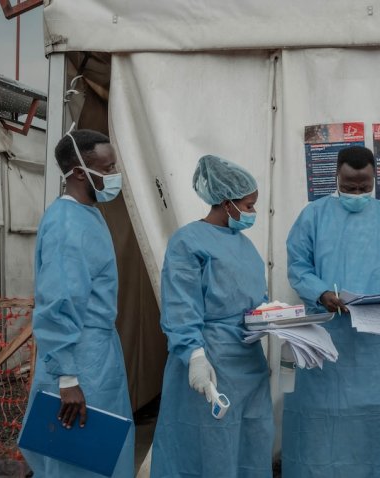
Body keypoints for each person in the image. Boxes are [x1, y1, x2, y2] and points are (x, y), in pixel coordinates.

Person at [282, 145, 380, 477]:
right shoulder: (313, 215)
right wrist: (321, 292)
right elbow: (298, 267)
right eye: (350, 186)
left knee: (371, 420)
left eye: (364, 186)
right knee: (317, 419)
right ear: (336, 176)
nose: (357, 192)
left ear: (374, 178)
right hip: (324, 336)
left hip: (374, 343)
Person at [20, 128, 134, 477]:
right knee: (77, 460)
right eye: (109, 167)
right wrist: (67, 379)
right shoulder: (68, 226)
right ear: (81, 172)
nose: (115, 176)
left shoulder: (88, 214)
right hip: (78, 359)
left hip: (95, 355)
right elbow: (59, 303)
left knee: (102, 456)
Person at [150, 155, 273, 477]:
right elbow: (180, 306)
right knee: (209, 447)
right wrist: (194, 356)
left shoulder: (244, 246)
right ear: (225, 202)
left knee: (251, 441)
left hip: (249, 360)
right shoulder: (188, 242)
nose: (253, 213)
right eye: (248, 205)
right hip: (211, 362)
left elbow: (255, 297)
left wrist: (278, 320)